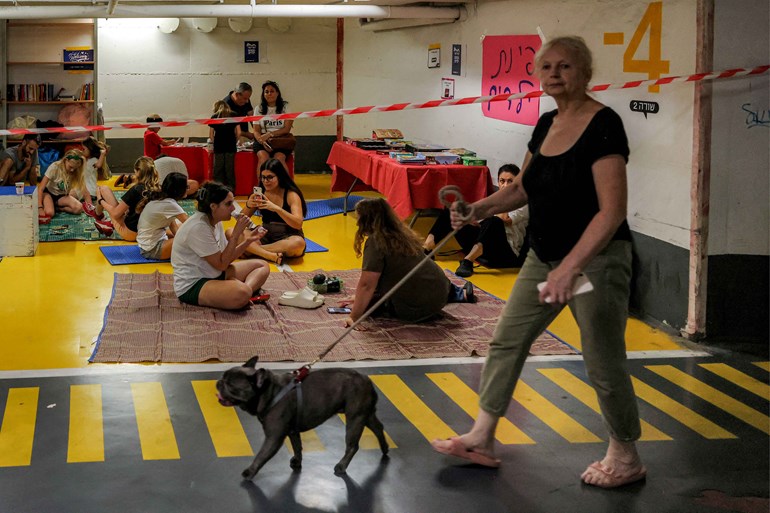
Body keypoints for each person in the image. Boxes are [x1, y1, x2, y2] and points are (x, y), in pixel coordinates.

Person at [431, 36, 646, 489]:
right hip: (543, 255)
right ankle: (482, 438)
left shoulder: (605, 125)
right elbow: (521, 189)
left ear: (585, 72)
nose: (553, 74)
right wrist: (477, 209)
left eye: (564, 66)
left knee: (603, 360)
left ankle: (625, 455)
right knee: (506, 341)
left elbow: (612, 211)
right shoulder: (545, 122)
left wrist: (571, 267)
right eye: (545, 66)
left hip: (597, 260)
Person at [343, 198, 476, 330]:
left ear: (367, 221)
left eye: (359, 219)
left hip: (417, 308)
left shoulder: (376, 242)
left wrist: (354, 317)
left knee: (377, 304)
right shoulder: (402, 234)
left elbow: (367, 284)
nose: (357, 224)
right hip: (442, 292)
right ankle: (459, 293)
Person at [171, 181, 270, 310]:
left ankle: (244, 294)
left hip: (215, 273)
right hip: (195, 284)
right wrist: (235, 235)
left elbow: (226, 259)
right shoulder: (198, 227)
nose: (234, 208)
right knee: (242, 292)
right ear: (213, 206)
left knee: (263, 266)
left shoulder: (215, 221)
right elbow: (222, 264)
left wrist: (248, 241)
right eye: (228, 204)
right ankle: (242, 293)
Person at [423, 164, 530, 277]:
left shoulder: (524, 203)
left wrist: (505, 196)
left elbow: (504, 219)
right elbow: (480, 220)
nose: (505, 185)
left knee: (494, 221)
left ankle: (468, 261)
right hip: (483, 245)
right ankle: (427, 248)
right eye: (502, 181)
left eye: (510, 182)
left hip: (505, 253)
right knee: (452, 211)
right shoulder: (494, 198)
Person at [232, 158, 306, 264]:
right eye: (263, 177)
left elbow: (298, 223)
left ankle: (252, 250)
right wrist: (249, 205)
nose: (266, 181)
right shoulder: (260, 193)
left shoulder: (291, 194)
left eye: (270, 177)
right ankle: (267, 254)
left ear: (280, 177)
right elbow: (240, 222)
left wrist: (276, 208)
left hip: (288, 235)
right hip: (265, 234)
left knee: (298, 244)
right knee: (231, 232)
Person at [97, 156, 160, 241]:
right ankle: (101, 217)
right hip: (150, 232)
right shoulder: (159, 188)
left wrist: (100, 200)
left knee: (102, 189)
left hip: (131, 233)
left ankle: (98, 215)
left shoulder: (136, 189)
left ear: (137, 171)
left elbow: (116, 214)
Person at [136, 172, 189, 260]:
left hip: (146, 246)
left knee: (184, 232)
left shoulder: (162, 198)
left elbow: (173, 226)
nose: (188, 189)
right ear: (179, 190)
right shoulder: (170, 204)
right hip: (151, 250)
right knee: (188, 237)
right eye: (186, 187)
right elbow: (191, 224)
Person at [37, 149, 91, 222]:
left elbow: (85, 191)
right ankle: (50, 205)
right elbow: (40, 188)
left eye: (75, 168)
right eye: (70, 167)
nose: (72, 170)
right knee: (49, 213)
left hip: (61, 195)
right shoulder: (54, 167)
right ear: (65, 160)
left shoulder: (77, 171)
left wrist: (90, 208)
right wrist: (39, 207)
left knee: (79, 208)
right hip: (48, 193)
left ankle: (58, 208)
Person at [253, 80, 294, 172]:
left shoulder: (285, 107)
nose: (269, 94)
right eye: (266, 92)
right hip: (262, 139)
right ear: (263, 94)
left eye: (272, 91)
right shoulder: (258, 109)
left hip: (281, 139)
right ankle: (261, 186)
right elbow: (256, 130)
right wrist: (261, 140)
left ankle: (285, 185)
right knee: (263, 158)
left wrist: (270, 134)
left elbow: (286, 129)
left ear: (277, 93)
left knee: (279, 159)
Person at [209, 100, 241, 190]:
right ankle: (231, 191)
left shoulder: (214, 116)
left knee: (218, 169)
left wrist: (214, 142)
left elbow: (211, 135)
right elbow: (239, 132)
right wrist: (235, 141)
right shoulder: (234, 115)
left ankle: (218, 190)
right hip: (231, 145)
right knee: (229, 169)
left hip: (219, 146)